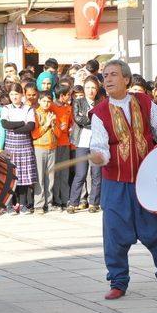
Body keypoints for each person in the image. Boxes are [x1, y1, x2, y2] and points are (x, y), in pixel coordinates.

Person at [89, 59, 157, 300]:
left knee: (156, 231)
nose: (108, 79)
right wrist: (100, 156)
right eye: (105, 75)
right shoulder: (99, 112)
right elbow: (100, 144)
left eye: (113, 74)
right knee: (114, 233)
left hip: (147, 180)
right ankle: (118, 282)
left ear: (126, 79)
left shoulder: (144, 102)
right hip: (115, 183)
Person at [67, 76, 102, 214]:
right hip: (82, 141)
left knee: (96, 174)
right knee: (80, 173)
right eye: (88, 87)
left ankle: (94, 202)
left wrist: (88, 118)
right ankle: (73, 202)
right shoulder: (78, 101)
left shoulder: (101, 103)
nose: (90, 90)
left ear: (97, 89)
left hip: (97, 142)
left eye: (93, 87)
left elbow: (102, 121)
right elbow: (78, 119)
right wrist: (93, 120)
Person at [1, 83, 37, 215]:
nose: (14, 97)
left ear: (21, 94)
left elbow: (31, 126)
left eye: (16, 94)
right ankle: (9, 205)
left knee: (24, 177)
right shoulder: (6, 108)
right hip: (11, 146)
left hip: (25, 146)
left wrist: (14, 128)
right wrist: (22, 123)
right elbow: (5, 124)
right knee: (11, 176)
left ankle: (22, 205)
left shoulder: (28, 108)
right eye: (11, 94)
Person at [30, 88, 58, 215]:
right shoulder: (35, 114)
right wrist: (46, 124)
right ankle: (39, 204)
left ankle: (49, 202)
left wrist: (53, 125)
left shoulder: (52, 114)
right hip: (39, 148)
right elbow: (34, 134)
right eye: (44, 101)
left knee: (50, 177)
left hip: (52, 147)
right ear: (39, 101)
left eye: (49, 101)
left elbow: (58, 134)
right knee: (40, 177)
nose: (46, 103)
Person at [51, 85, 73, 210]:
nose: (69, 97)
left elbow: (71, 124)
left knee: (64, 173)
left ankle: (65, 199)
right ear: (61, 95)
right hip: (54, 144)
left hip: (66, 143)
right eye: (67, 95)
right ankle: (56, 199)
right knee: (56, 173)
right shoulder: (52, 107)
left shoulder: (69, 108)